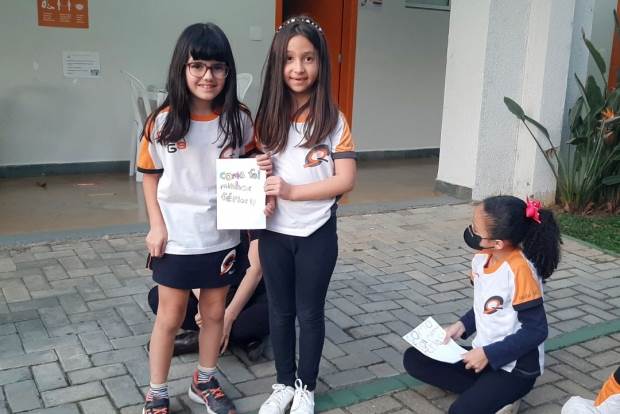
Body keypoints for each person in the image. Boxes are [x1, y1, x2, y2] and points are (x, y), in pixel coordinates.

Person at [136, 23, 272, 414]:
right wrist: (156, 225)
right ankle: (157, 392)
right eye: (197, 66)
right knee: (169, 317)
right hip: (176, 238)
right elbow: (150, 175)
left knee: (213, 314)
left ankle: (204, 380)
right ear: (182, 68)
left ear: (228, 71)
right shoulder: (161, 122)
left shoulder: (239, 119)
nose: (207, 76)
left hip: (222, 238)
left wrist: (259, 169)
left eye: (217, 67)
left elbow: (250, 163)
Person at [253, 16, 357, 414]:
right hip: (274, 234)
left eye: (308, 58)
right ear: (278, 63)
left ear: (321, 63)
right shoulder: (266, 119)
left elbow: (345, 179)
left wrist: (293, 191)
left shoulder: (333, 119)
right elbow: (259, 176)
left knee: (310, 313)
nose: (298, 68)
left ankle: (305, 388)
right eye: (290, 59)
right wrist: (259, 177)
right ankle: (283, 384)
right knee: (280, 312)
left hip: (317, 233)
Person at [403, 195, 561, 414]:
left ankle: (501, 395)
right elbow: (487, 306)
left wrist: (488, 354)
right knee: (414, 359)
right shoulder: (482, 258)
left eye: (476, 229)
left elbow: (536, 331)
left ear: (497, 243)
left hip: (514, 369)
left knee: (460, 412)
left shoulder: (520, 271)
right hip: (483, 356)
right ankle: (492, 396)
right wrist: (461, 326)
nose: (471, 231)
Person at [147, 232, 270, 361]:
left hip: (247, 297)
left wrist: (227, 318)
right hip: (209, 291)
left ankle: (196, 340)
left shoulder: (252, 221)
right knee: (157, 298)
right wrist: (204, 304)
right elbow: (188, 264)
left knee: (270, 313)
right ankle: (241, 339)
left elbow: (255, 271)